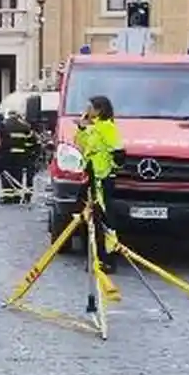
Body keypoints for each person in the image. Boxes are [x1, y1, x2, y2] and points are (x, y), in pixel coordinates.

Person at [75, 95, 123, 273]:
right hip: (92, 178)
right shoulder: (94, 128)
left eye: (90, 107)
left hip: (102, 179)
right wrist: (81, 127)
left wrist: (109, 170)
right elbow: (81, 146)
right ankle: (95, 255)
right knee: (89, 217)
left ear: (99, 110)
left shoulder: (107, 127)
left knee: (104, 219)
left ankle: (108, 258)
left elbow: (118, 153)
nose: (86, 110)